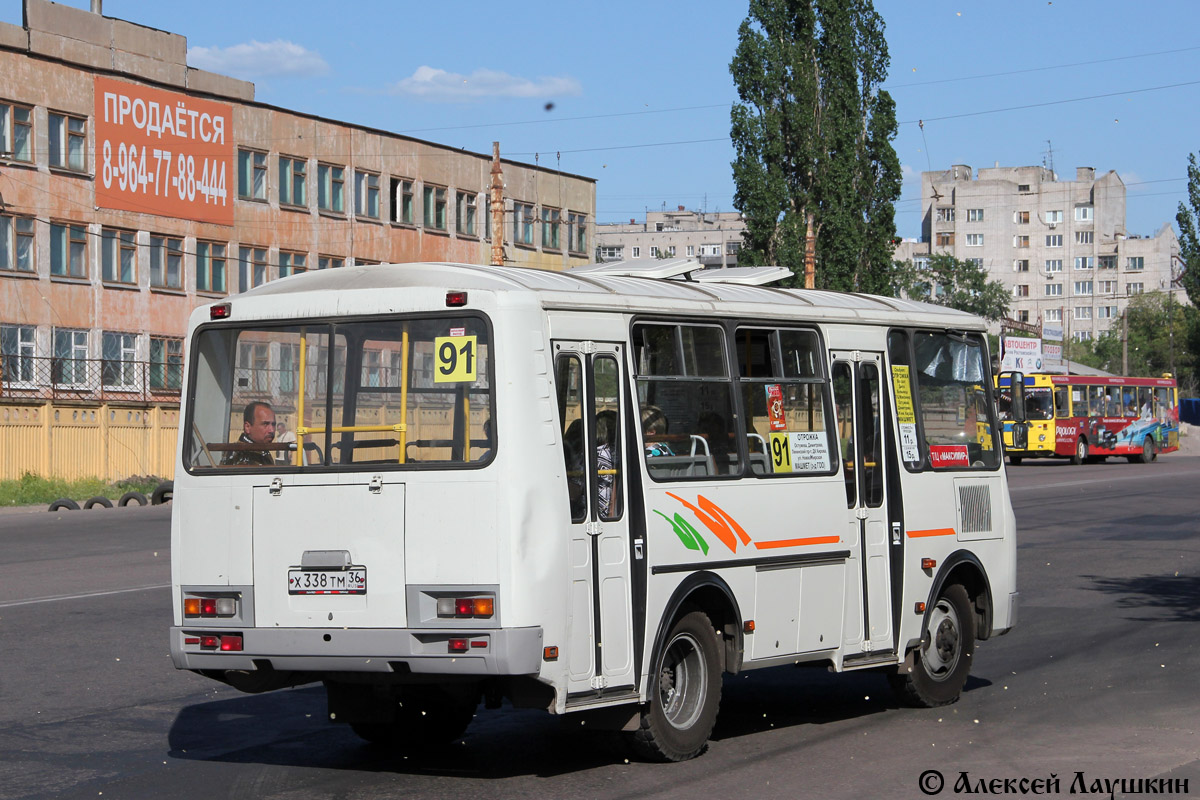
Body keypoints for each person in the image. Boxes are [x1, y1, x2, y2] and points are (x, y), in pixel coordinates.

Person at [222, 401, 276, 466]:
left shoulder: (260, 450)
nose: (271, 430)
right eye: (265, 424)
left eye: (273, 424)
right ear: (247, 427)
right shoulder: (241, 455)